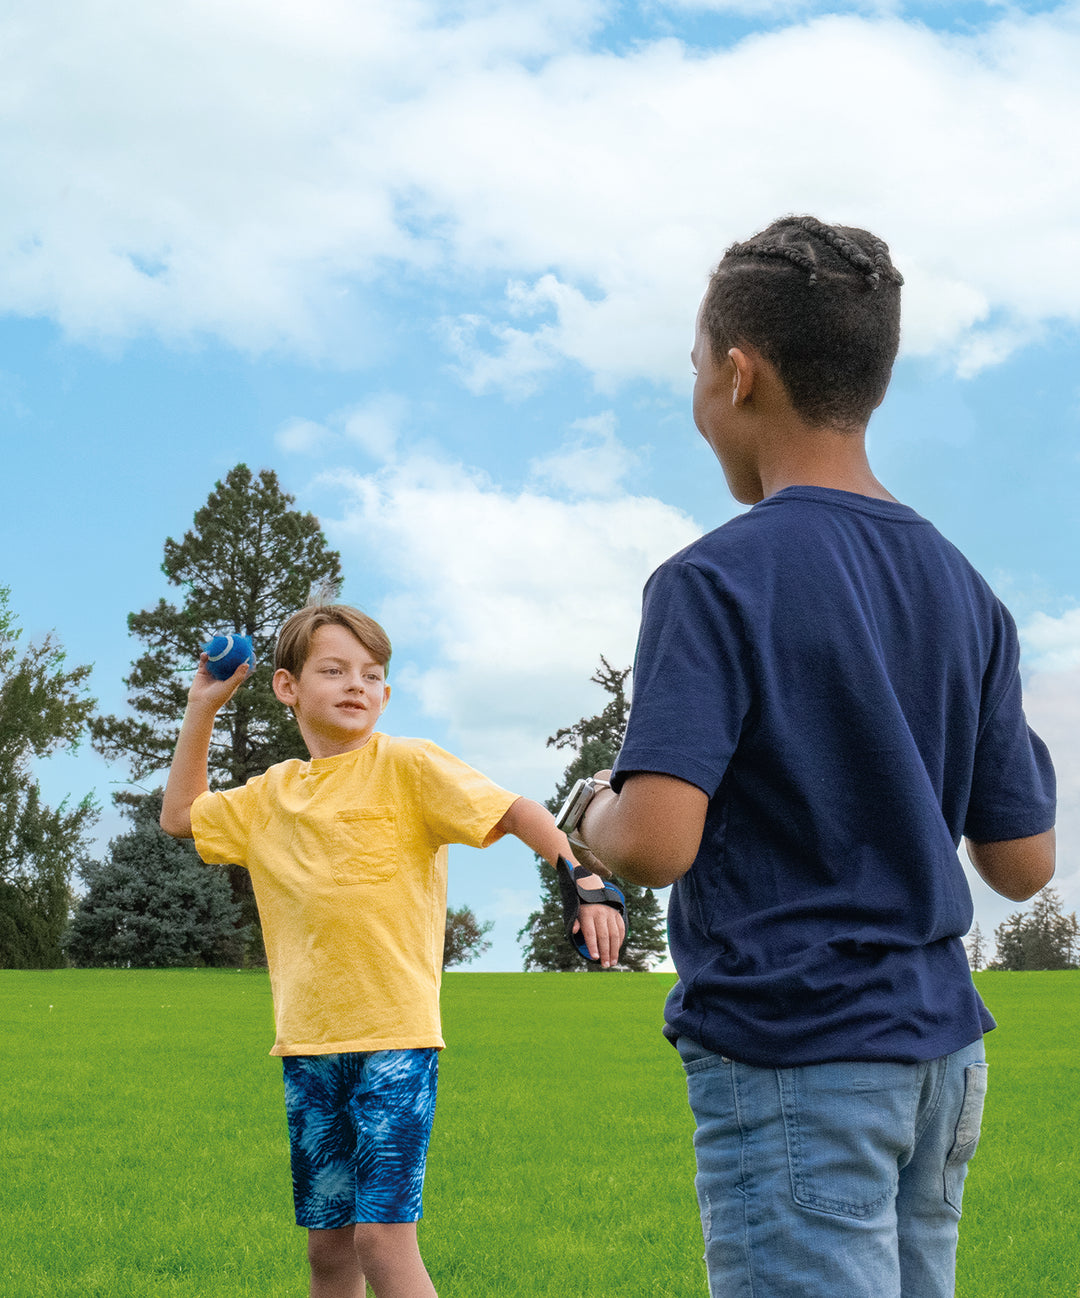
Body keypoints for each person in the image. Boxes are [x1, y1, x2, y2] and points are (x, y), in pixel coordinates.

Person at [567, 216, 1056, 1297]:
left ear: (740, 375)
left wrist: (589, 808)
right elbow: (1023, 862)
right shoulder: (968, 593)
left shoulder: (712, 579)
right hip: (942, 1060)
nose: (696, 396)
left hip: (796, 1055)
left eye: (696, 370)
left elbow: (653, 841)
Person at [160, 602, 624, 1298]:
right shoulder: (269, 797)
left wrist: (580, 877)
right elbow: (180, 817)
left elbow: (516, 810)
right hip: (309, 1045)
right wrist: (204, 705)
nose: (357, 685)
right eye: (334, 670)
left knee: (382, 1241)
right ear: (287, 687)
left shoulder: (408, 766)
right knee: (330, 1252)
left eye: (372, 674)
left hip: (395, 1038)